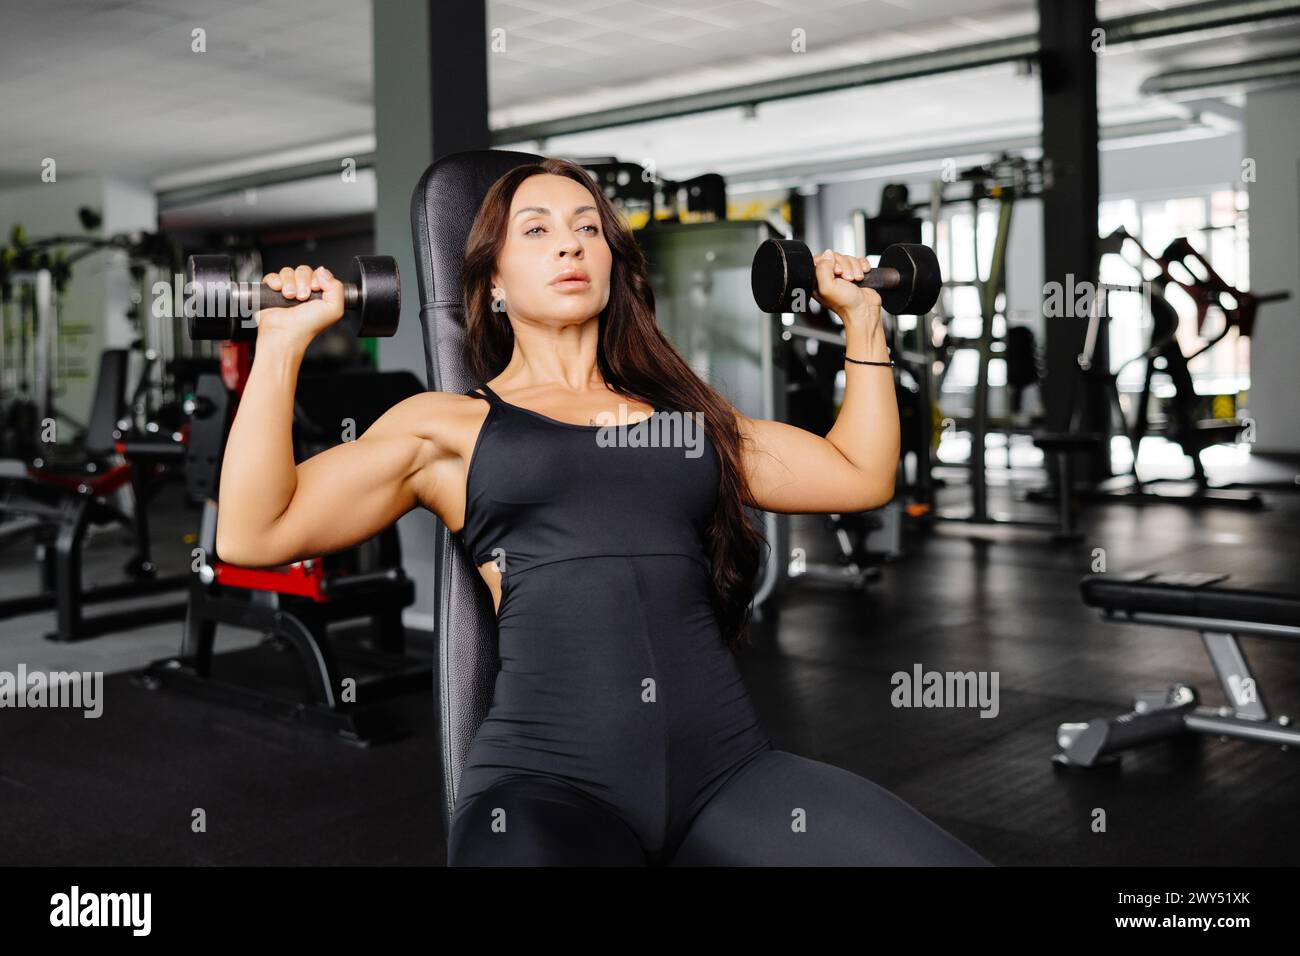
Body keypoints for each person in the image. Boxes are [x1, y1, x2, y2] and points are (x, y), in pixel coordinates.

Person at [215, 157, 991, 867]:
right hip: (549, 792)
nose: (570, 246)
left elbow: (859, 475)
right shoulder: (448, 426)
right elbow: (255, 533)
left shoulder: (688, 420)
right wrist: (281, 345)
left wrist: (863, 322)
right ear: (489, 282)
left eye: (588, 229)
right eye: (538, 230)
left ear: (615, 268)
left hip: (729, 774)